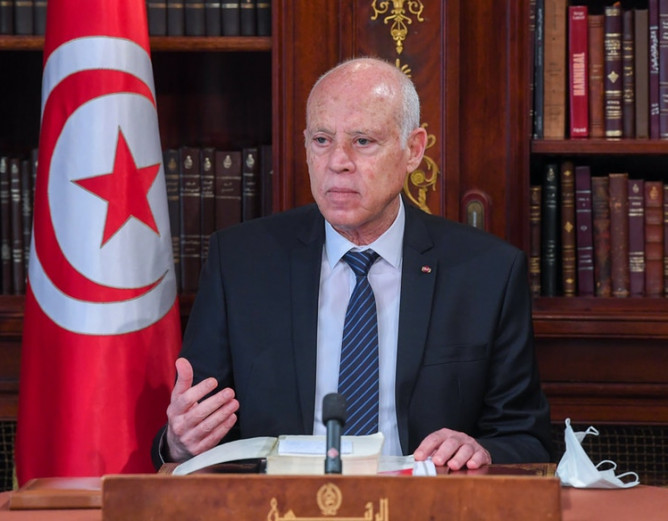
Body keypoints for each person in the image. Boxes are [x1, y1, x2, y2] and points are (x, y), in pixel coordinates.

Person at [152, 57, 552, 471]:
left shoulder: (488, 272)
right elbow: (191, 434)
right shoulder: (240, 264)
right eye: (322, 140)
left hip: (423, 501)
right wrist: (178, 444)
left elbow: (527, 439)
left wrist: (479, 450)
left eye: (362, 141)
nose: (337, 161)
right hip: (281, 501)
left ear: (413, 150)